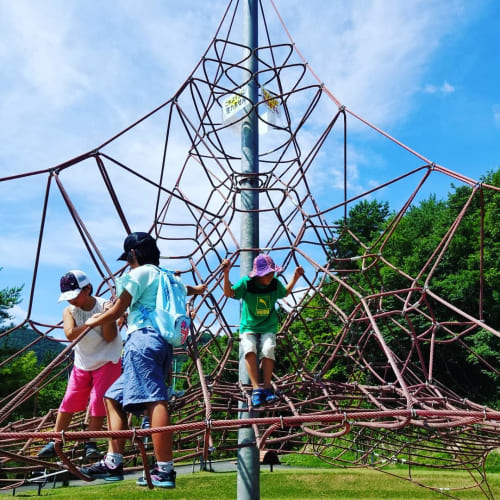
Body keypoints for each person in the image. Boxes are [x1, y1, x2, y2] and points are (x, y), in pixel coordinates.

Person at [80, 232, 207, 488]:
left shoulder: (138, 274)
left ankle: (165, 470)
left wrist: (89, 322)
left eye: (128, 259)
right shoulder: (169, 277)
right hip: (162, 344)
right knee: (113, 396)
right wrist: (200, 289)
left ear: (134, 255)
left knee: (154, 399)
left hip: (142, 342)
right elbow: (189, 289)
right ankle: (113, 462)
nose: (128, 264)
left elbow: (118, 309)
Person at [38, 270, 122, 460]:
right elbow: (69, 334)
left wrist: (107, 316)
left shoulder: (103, 306)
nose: (71, 301)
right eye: (68, 297)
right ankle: (56, 439)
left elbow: (110, 337)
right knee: (69, 399)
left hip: (107, 359)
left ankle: (90, 442)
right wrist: (91, 323)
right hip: (83, 361)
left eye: (75, 296)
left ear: (88, 289)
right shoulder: (70, 310)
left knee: (99, 400)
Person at [222, 254, 304, 406]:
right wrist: (226, 274)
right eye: (267, 274)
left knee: (268, 349)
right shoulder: (247, 283)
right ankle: (256, 389)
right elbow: (228, 293)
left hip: (268, 325)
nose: (271, 276)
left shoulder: (274, 283)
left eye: (272, 273)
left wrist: (295, 277)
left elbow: (284, 292)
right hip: (249, 326)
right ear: (258, 275)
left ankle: (266, 388)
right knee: (249, 349)